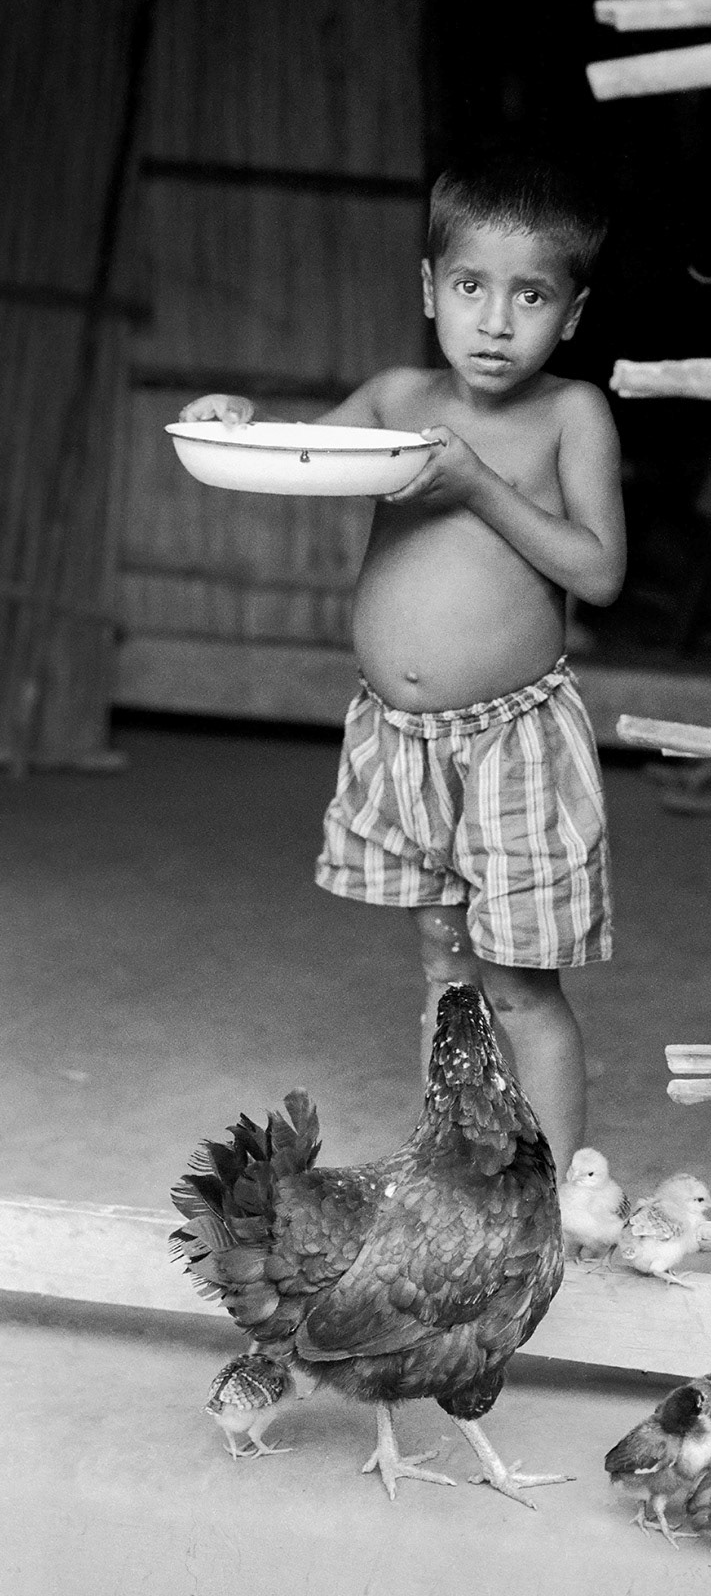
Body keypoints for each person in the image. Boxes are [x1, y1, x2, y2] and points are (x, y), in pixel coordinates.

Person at [180, 153, 626, 1177]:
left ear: (573, 312)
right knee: (446, 972)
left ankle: (553, 1204)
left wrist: (476, 484)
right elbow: (295, 457)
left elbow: (599, 574)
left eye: (531, 296)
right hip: (402, 740)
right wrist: (233, 419)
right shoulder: (394, 395)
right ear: (430, 290)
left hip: (512, 743)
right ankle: (451, 1177)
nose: (496, 322)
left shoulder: (572, 414)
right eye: (470, 287)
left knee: (520, 986)